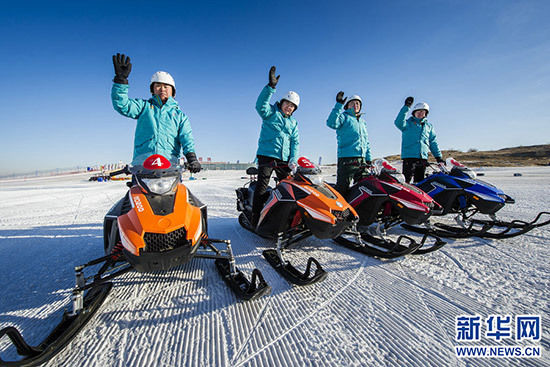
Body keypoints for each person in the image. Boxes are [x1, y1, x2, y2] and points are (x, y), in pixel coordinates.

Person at [110, 53, 201, 173]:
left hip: (169, 167)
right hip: (142, 167)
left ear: (172, 91)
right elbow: (122, 105)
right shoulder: (144, 107)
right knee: (134, 192)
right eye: (158, 86)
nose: (162, 89)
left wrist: (192, 158)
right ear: (152, 90)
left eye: (166, 86)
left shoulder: (179, 116)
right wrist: (121, 81)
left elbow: (187, 138)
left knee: (182, 192)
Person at [251, 66, 300, 227]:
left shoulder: (293, 123)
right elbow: (260, 105)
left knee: (288, 187)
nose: (289, 107)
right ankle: (255, 218)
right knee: (262, 187)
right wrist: (270, 88)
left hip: (284, 159)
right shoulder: (271, 113)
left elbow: (295, 142)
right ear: (282, 102)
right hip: (266, 155)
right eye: (287, 103)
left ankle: (283, 217)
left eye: (292, 106)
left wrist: (293, 159)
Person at [326, 92, 372, 196]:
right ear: (347, 106)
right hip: (347, 160)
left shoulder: (362, 122)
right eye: (353, 103)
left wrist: (368, 158)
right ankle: (340, 211)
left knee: (364, 189)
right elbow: (331, 123)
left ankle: (360, 210)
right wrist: (338, 105)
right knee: (342, 188)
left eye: (358, 103)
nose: (356, 105)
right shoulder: (343, 117)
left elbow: (366, 141)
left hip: (362, 161)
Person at [394, 96, 443, 183]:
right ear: (414, 113)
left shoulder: (429, 126)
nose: (420, 113)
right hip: (409, 158)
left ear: (426, 113)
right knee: (406, 182)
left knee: (420, 183)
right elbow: (398, 122)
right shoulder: (407, 124)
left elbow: (433, 142)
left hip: (422, 158)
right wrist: (406, 107)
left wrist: (438, 157)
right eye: (418, 111)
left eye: (423, 112)